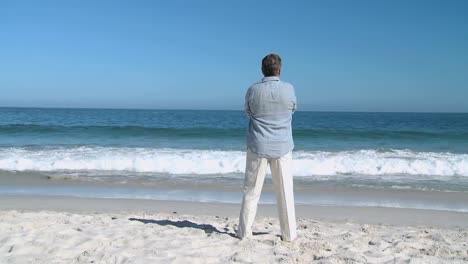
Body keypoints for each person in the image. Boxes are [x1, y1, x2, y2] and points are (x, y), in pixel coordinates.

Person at [237, 54, 297, 242]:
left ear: (263, 70)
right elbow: (293, 108)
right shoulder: (289, 89)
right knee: (285, 192)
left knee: (252, 191)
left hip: (258, 144)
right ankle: (289, 234)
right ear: (279, 70)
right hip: (282, 146)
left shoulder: (253, 90)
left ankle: (244, 232)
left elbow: (248, 111)